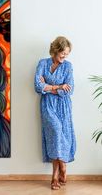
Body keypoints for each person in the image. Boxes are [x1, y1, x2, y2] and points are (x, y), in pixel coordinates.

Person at [34, 36, 76, 190]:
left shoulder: (68, 66)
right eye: (63, 53)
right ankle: (63, 167)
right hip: (47, 106)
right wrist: (58, 86)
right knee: (56, 133)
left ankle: (55, 176)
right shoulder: (42, 63)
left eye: (67, 54)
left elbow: (69, 90)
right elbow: (38, 86)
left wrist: (48, 86)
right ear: (56, 50)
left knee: (60, 137)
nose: (65, 56)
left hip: (64, 107)